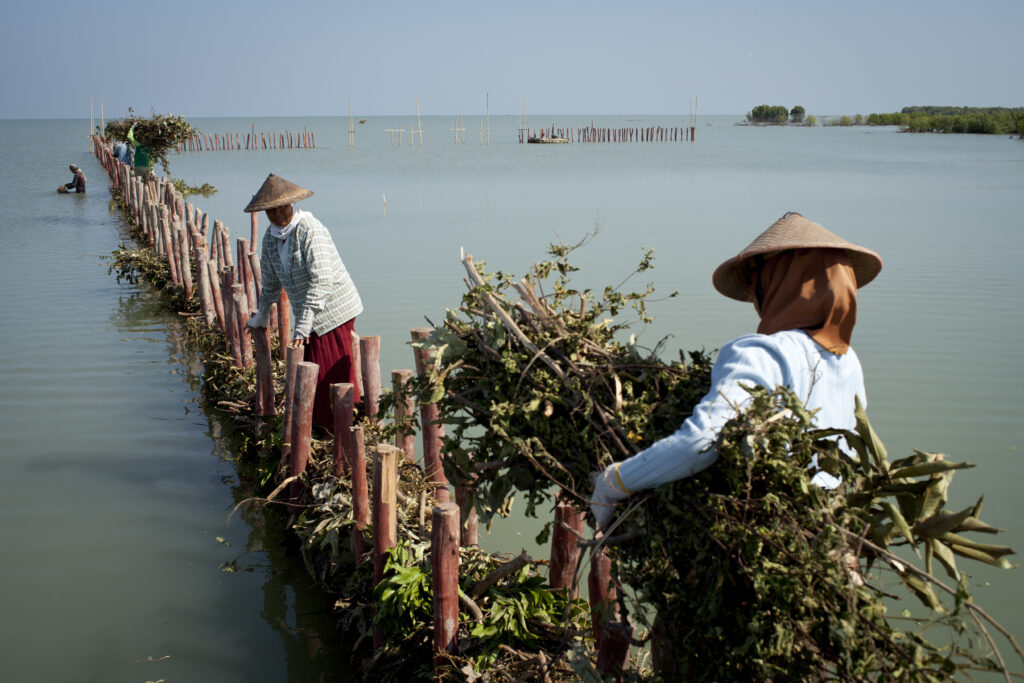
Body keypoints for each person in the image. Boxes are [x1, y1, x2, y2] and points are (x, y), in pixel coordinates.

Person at [590, 212, 883, 528]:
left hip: (765, 535)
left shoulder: (762, 353)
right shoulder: (848, 360)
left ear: (777, 281)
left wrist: (613, 483)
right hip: (830, 533)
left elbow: (701, 443)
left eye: (758, 279)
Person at [244, 173, 363, 429]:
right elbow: (271, 283)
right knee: (313, 369)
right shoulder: (271, 237)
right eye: (271, 210)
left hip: (334, 309)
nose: (277, 214)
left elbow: (322, 280)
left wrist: (303, 324)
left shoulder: (310, 229)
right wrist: (262, 315)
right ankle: (322, 426)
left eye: (282, 207)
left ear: (292, 204)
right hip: (309, 315)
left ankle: (335, 428)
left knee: (327, 375)